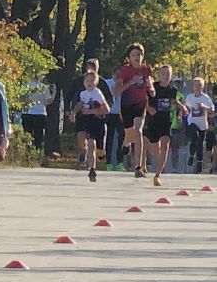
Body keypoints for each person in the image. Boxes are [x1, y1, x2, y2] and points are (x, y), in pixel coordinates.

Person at [113, 44, 153, 178]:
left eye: (139, 55)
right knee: (129, 134)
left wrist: (151, 89)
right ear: (129, 58)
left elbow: (149, 82)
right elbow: (117, 90)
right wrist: (131, 82)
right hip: (126, 106)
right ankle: (126, 143)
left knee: (138, 131)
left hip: (140, 106)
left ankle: (138, 167)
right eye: (134, 55)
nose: (137, 57)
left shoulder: (146, 70)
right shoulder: (125, 71)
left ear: (143, 56)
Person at [143, 64, 184, 186]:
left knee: (165, 145)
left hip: (166, 121)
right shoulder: (153, 87)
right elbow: (143, 100)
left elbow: (173, 101)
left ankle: (157, 175)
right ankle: (147, 157)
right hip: (153, 121)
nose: (165, 76)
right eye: (163, 74)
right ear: (158, 75)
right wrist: (149, 108)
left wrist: (183, 107)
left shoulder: (173, 90)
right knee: (155, 150)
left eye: (168, 74)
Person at [72, 69, 110, 181]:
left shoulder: (97, 93)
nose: (89, 83)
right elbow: (80, 103)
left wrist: (91, 111)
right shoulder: (83, 94)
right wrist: (74, 113)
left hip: (98, 122)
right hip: (88, 121)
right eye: (87, 81)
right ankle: (92, 169)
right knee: (91, 143)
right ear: (84, 82)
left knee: (100, 151)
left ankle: (101, 154)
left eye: (92, 81)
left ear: (96, 83)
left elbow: (107, 110)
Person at [21, 72, 54, 157]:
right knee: (38, 137)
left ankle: (27, 154)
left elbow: (22, 99)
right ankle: (37, 154)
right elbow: (48, 101)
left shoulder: (25, 86)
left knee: (27, 135)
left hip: (27, 113)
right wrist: (54, 93)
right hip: (40, 114)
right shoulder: (43, 87)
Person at [184, 77, 214, 175]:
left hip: (202, 125)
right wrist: (182, 112)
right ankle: (191, 155)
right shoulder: (189, 97)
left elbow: (212, 110)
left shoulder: (205, 98)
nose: (197, 87)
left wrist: (203, 107)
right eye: (195, 85)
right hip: (192, 122)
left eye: (199, 85)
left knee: (200, 144)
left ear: (202, 87)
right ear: (193, 86)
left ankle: (199, 163)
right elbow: (185, 106)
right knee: (195, 137)